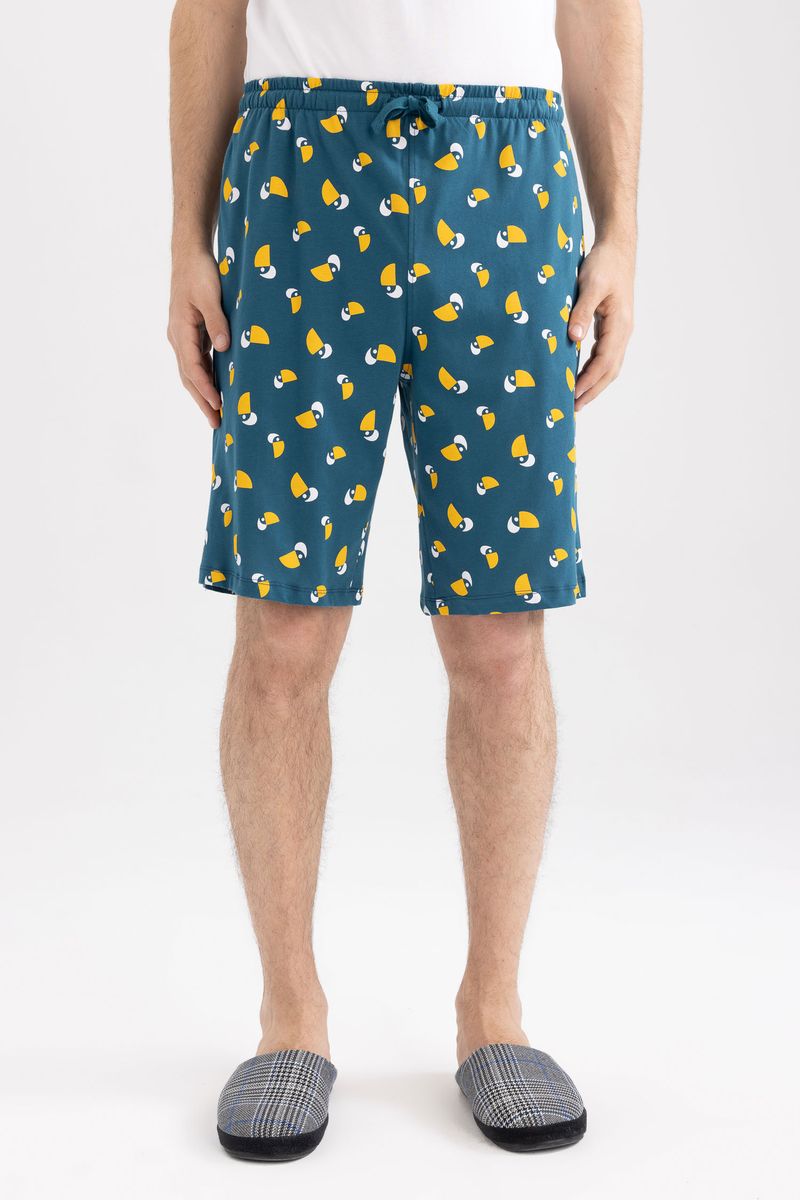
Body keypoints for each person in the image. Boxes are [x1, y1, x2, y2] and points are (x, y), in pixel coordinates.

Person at [168, 0, 641, 1161]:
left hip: (507, 175)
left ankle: (493, 1011)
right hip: (298, 173)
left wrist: (620, 229)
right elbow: (206, 10)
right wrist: (186, 234)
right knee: (284, 628)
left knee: (500, 636)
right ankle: (289, 1018)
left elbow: (599, 10)